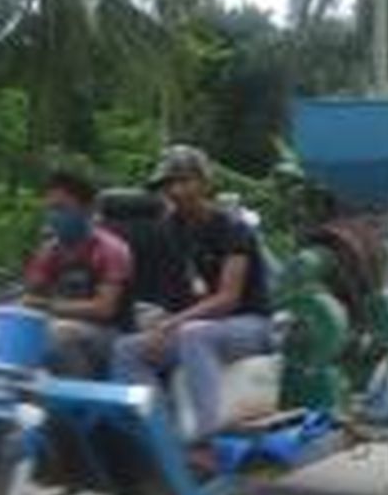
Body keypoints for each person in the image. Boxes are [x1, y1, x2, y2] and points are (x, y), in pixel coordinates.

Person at [112, 145, 273, 476]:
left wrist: (175, 321)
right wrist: (156, 319)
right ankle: (161, 436)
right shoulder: (172, 228)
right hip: (202, 326)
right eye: (167, 185)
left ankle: (208, 443)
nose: (174, 191)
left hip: (250, 325)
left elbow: (228, 298)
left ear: (202, 182)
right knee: (127, 349)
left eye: (182, 181)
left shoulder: (233, 228)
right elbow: (178, 291)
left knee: (192, 334)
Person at [24, 170, 132, 378]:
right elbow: (32, 292)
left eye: (62, 209)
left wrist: (47, 305)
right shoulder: (49, 251)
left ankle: (79, 402)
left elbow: (104, 309)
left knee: (59, 334)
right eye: (50, 210)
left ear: (88, 209)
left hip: (112, 335)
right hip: (64, 326)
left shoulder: (111, 249)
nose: (54, 216)